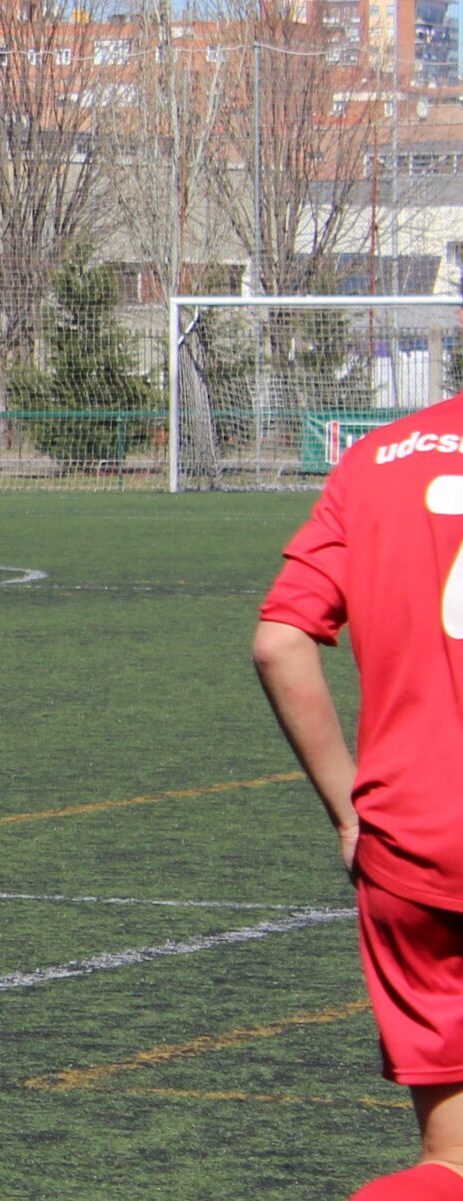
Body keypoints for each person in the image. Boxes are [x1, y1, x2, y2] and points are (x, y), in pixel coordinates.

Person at [253, 389, 463, 1201]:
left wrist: (350, 811)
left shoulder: (378, 457)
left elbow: (278, 641)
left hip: (409, 840)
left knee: (447, 1164)